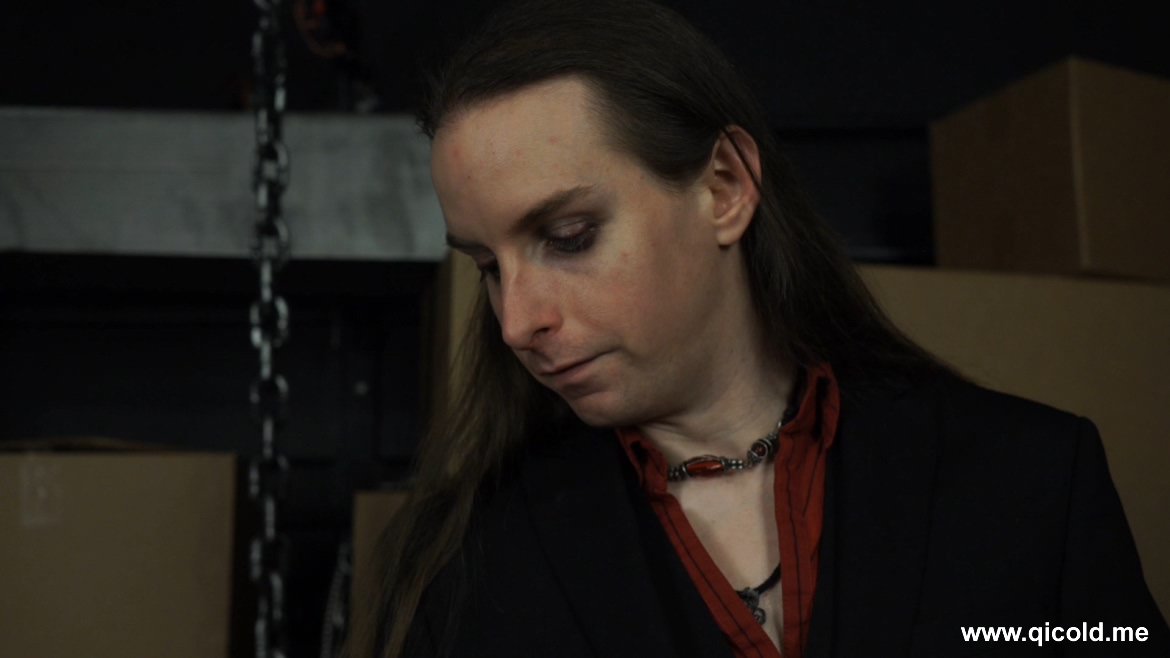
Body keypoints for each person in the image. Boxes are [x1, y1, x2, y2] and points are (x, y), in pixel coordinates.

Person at [361, 1, 1170, 656]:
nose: (515, 322)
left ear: (725, 187)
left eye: (568, 237)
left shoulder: (1030, 481)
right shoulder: (473, 563)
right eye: (488, 266)